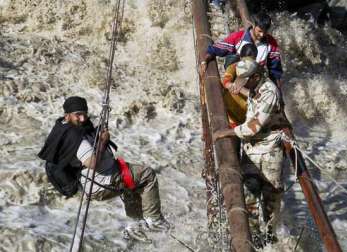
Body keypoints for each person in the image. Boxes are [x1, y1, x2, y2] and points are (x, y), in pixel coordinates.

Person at [38, 96, 169, 242]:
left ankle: (135, 225)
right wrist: (103, 141)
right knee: (147, 174)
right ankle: (155, 221)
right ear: (67, 115)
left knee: (132, 183)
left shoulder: (63, 127)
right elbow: (92, 163)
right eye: (77, 115)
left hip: (93, 183)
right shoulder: (74, 137)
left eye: (84, 114)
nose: (82, 119)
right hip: (102, 184)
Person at [213, 57, 291, 248]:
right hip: (252, 149)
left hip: (270, 151)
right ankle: (253, 238)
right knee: (248, 193)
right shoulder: (255, 86)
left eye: (245, 79)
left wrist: (228, 132)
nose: (242, 83)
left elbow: (253, 126)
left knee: (271, 198)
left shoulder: (270, 92)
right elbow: (252, 101)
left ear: (256, 76)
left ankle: (270, 239)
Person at [201, 12, 283, 87]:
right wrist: (205, 61)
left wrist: (278, 92)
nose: (262, 35)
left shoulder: (271, 44)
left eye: (265, 32)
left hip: (254, 82)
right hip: (234, 79)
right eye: (260, 31)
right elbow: (215, 49)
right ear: (254, 25)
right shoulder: (238, 37)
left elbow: (275, 70)